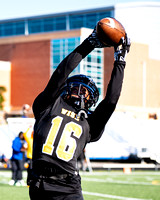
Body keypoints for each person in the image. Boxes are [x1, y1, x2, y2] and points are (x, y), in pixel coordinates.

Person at [28, 26, 131, 199]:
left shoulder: (89, 123)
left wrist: (120, 61)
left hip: (68, 187)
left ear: (92, 100)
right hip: (39, 184)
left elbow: (111, 101)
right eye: (77, 88)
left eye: (86, 92)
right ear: (66, 89)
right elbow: (61, 73)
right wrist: (88, 44)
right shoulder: (49, 105)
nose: (81, 93)